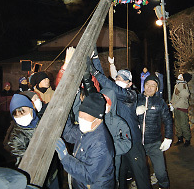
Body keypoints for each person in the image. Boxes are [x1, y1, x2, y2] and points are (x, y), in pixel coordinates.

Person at [88, 52, 151, 189]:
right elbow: (106, 82)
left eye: (122, 79)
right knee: (119, 176)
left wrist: (96, 72)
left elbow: (109, 84)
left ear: (129, 84)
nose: (118, 80)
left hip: (133, 141)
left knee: (140, 174)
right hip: (117, 141)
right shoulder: (113, 92)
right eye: (117, 77)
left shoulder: (130, 95)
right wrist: (95, 59)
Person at [56, 92, 115, 189]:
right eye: (80, 117)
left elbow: (89, 176)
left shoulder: (101, 145)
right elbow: (69, 134)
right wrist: (63, 116)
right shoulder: (87, 128)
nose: (81, 121)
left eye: (85, 119)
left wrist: (65, 158)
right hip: (80, 184)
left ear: (98, 120)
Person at [4, 93, 61, 189]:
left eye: (23, 113)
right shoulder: (15, 138)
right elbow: (24, 161)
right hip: (36, 180)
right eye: (16, 116)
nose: (21, 118)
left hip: (53, 173)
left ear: (31, 108)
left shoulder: (42, 120)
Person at [136, 74, 173, 189]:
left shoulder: (160, 102)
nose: (150, 87)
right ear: (144, 85)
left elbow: (167, 120)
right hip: (137, 144)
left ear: (157, 89)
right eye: (147, 84)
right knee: (139, 174)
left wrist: (168, 137)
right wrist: (134, 112)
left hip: (154, 143)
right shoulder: (136, 99)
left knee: (161, 172)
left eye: (153, 85)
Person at [170, 72, 192, 147]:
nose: (180, 76)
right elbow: (175, 96)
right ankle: (180, 138)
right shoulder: (178, 84)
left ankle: (187, 139)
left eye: (182, 75)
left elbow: (183, 98)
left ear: (184, 78)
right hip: (177, 107)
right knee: (177, 124)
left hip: (182, 108)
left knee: (183, 124)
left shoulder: (183, 86)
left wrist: (174, 105)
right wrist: (172, 103)